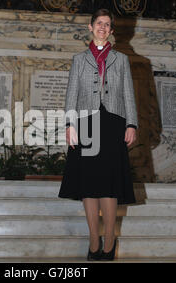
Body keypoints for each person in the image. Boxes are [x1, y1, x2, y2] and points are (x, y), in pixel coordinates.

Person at [58, 8, 138, 261]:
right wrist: (69, 125)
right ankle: (94, 239)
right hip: (85, 123)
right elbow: (71, 94)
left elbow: (128, 94)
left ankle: (110, 239)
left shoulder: (121, 59)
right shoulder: (79, 59)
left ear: (112, 31)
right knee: (89, 184)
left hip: (114, 122)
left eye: (107, 24)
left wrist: (131, 124)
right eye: (98, 23)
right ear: (90, 27)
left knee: (110, 184)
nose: (102, 27)